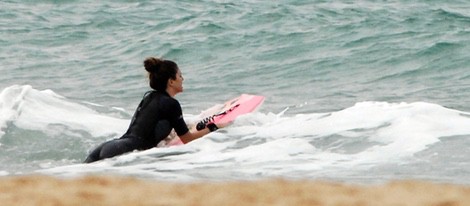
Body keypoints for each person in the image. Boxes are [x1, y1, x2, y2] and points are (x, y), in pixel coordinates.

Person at [84, 57, 224, 163]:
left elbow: (148, 127)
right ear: (171, 81)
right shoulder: (171, 104)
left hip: (110, 146)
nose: (183, 79)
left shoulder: (149, 97)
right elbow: (187, 139)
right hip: (124, 151)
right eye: (180, 75)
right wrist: (215, 127)